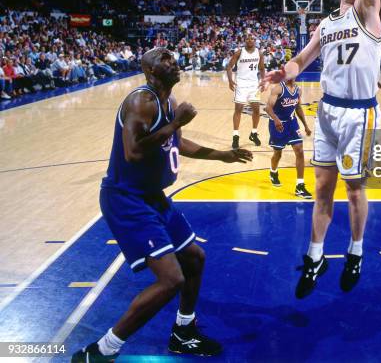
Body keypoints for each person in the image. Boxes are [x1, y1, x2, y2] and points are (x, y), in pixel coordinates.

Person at [72, 48, 252, 362]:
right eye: (163, 59)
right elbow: (134, 152)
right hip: (127, 199)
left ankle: (184, 332)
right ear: (151, 72)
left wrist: (221, 155)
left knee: (194, 258)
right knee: (172, 279)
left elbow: (177, 143)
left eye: (171, 56)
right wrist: (175, 123)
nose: (171, 61)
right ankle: (102, 351)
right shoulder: (141, 102)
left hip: (154, 198)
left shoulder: (168, 102)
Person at [263, 0, 381, 298]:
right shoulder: (326, 24)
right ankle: (315, 256)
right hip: (328, 110)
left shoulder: (369, 14)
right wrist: (286, 71)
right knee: (323, 190)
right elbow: (304, 58)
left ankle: (356, 250)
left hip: (360, 113)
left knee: (354, 188)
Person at [265, 79, 313, 198]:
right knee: (278, 154)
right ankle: (273, 172)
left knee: (300, 151)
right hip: (277, 124)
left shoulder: (298, 90)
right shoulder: (278, 89)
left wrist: (306, 125)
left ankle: (300, 186)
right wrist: (276, 120)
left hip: (292, 124)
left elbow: (298, 108)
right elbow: (268, 108)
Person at [226, 34, 265, 149]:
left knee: (257, 110)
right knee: (238, 109)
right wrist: (230, 80)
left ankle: (253, 133)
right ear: (244, 40)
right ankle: (235, 136)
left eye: (252, 38)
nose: (249, 40)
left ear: (255, 40)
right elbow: (229, 67)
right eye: (247, 38)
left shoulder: (259, 53)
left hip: (254, 84)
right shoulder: (239, 52)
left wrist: (263, 81)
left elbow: (262, 68)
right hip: (241, 84)